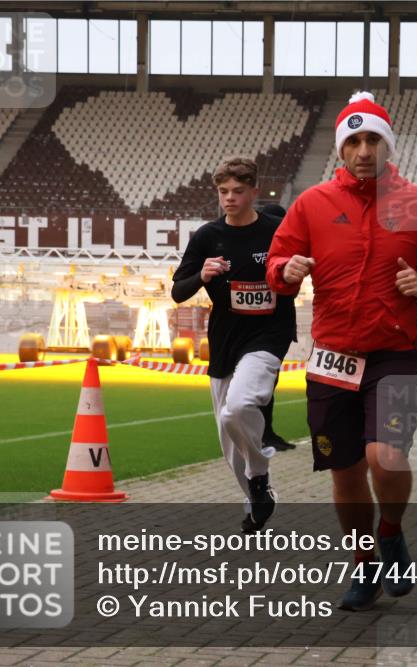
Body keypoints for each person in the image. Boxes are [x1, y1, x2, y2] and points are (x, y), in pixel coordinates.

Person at [266, 91, 417, 611]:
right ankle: (363, 566)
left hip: (393, 351)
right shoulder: (312, 203)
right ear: (340, 149)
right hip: (332, 354)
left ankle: (391, 532)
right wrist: (282, 272)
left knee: (387, 455)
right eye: (353, 140)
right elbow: (280, 258)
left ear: (387, 145)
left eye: (372, 139)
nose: (363, 149)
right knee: (346, 470)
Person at [171, 156, 296, 534]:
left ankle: (259, 476)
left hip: (267, 336)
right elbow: (178, 290)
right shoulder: (208, 236)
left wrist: (292, 273)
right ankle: (257, 501)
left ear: (254, 192)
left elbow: (298, 274)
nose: (229, 198)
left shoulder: (277, 231)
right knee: (229, 446)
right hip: (226, 339)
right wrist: (201, 274)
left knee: (237, 408)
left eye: (238, 191)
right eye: (223, 191)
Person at [258, 202, 296, 452]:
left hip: (276, 326)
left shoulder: (285, 251)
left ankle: (265, 432)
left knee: (268, 384)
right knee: (262, 385)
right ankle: (261, 434)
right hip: (265, 327)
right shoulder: (266, 252)